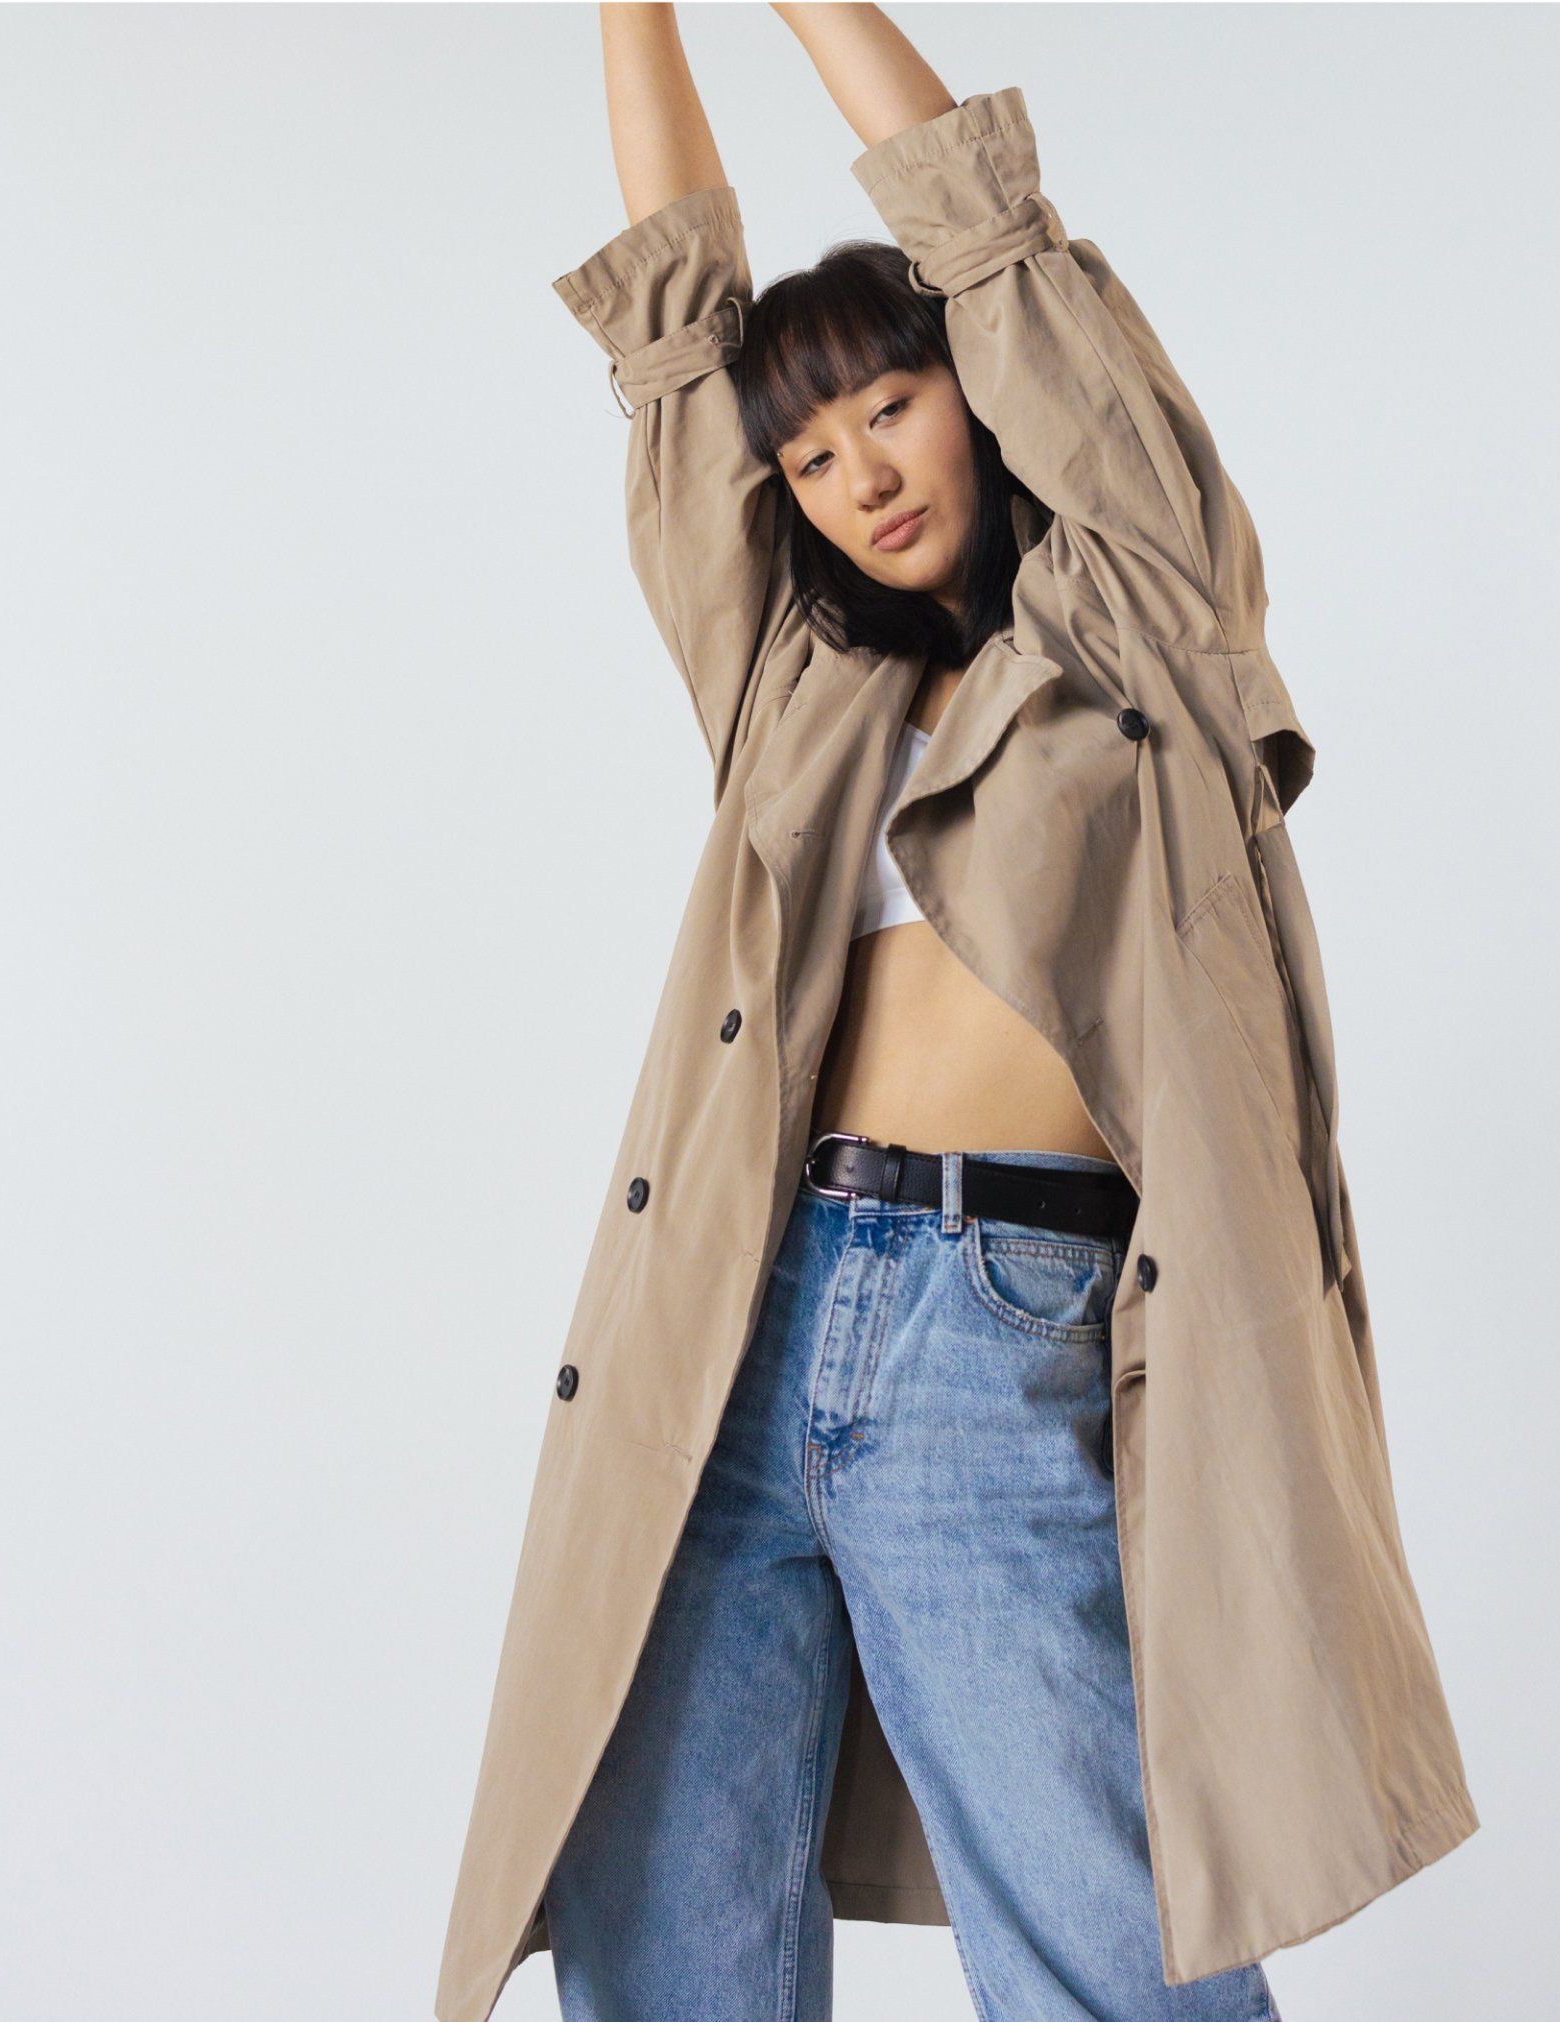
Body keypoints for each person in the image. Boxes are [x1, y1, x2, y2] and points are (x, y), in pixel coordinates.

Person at [436, 9, 1478, 2022]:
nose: (853, 476)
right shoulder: (789, 689)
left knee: (1106, 1940)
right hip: (734, 1323)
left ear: (974, 393)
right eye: (810, 458)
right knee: (669, 1937)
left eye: (888, 409)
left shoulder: (1145, 630)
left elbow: (1007, 248)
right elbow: (671, 340)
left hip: (995, 1324)